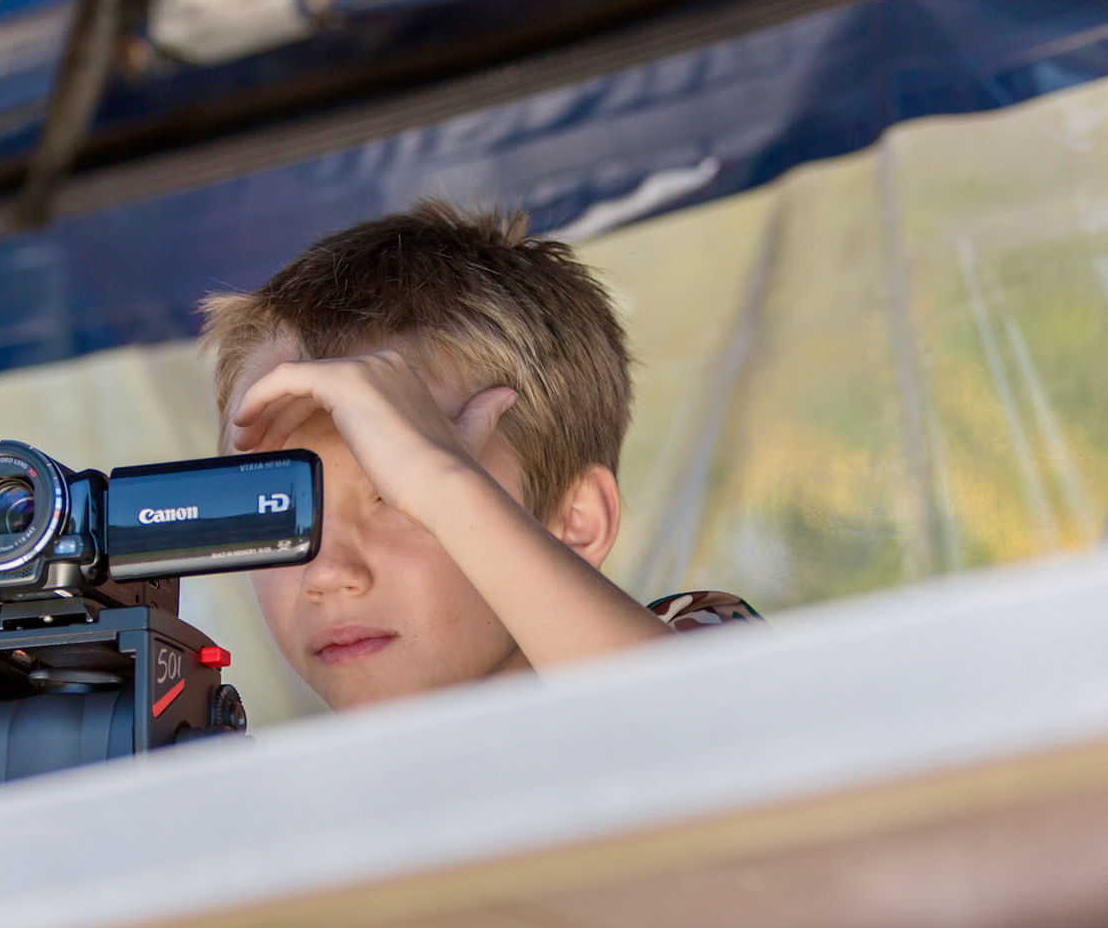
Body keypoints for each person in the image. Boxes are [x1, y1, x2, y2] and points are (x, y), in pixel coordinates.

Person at [202, 200, 759, 712]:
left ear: (576, 521)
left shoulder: (699, 656)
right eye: (278, 509)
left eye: (398, 498)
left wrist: (438, 481)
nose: (326, 573)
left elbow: (699, 727)